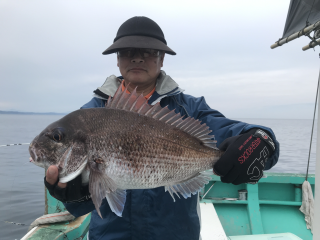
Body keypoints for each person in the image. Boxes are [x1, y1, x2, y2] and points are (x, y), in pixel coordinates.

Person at [45, 16, 279, 240]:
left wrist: (260, 142)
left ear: (162, 59)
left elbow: (247, 135)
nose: (137, 58)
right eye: (128, 52)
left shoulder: (190, 109)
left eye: (148, 51)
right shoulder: (91, 114)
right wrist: (73, 196)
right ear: (117, 59)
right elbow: (86, 199)